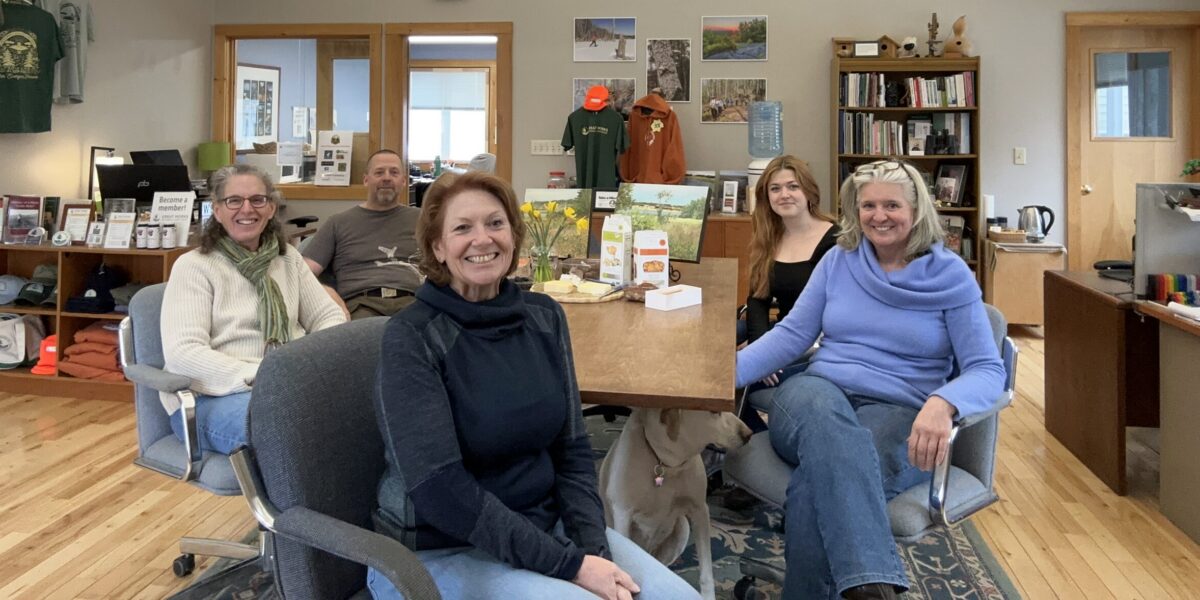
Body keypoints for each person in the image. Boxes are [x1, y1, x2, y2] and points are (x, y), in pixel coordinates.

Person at [370, 171, 699, 600]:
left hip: (546, 530)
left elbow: (573, 450)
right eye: (462, 228)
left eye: (495, 223)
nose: (482, 239)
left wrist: (591, 550)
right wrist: (570, 566)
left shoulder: (544, 316)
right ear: (437, 247)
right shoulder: (412, 337)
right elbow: (440, 491)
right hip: (443, 549)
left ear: (513, 233)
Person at [735, 159, 1006, 600]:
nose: (879, 216)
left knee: (815, 486)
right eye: (868, 205)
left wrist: (944, 402)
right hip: (815, 394)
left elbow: (988, 369)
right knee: (825, 421)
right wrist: (720, 376)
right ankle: (873, 586)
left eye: (892, 205)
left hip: (899, 411)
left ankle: (858, 587)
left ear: (917, 210)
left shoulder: (952, 276)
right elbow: (790, 336)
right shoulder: (839, 261)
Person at [160, 163, 346, 454]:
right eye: (234, 201)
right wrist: (263, 375)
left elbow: (328, 316)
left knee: (363, 414)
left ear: (271, 208)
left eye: (258, 200)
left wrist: (315, 363)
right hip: (211, 397)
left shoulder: (288, 259)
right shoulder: (194, 266)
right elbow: (183, 354)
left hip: (290, 382)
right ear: (218, 211)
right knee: (295, 427)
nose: (247, 209)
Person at [303, 149, 422, 320]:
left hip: (414, 303)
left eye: (394, 172)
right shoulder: (338, 223)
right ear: (366, 180)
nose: (387, 177)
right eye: (379, 172)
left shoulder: (423, 220)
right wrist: (326, 291)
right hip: (361, 306)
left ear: (403, 181)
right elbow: (300, 272)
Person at [743, 155, 839, 348]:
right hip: (784, 332)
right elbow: (758, 300)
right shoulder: (769, 238)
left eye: (793, 186)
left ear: (809, 192)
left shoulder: (836, 240)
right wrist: (759, 346)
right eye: (775, 188)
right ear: (767, 196)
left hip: (820, 343)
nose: (784, 194)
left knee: (746, 375)